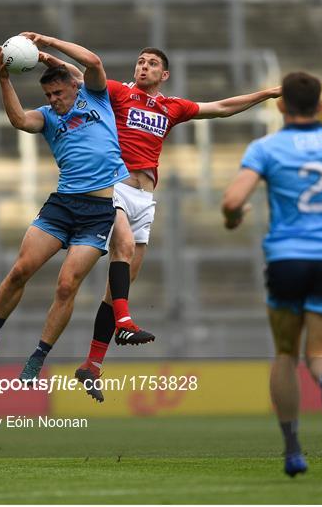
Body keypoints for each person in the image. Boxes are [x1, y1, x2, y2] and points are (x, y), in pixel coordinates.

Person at [33, 39, 281, 400]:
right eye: (140, 61)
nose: (143, 66)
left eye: (151, 63)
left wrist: (270, 92)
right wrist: (44, 57)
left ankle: (92, 366)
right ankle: (125, 323)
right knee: (124, 250)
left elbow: (223, 107)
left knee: (122, 283)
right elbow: (77, 76)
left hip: (145, 199)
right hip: (112, 186)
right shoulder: (118, 93)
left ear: (164, 74)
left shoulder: (171, 107)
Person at [0, 35, 144, 399]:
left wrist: (43, 46)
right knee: (20, 270)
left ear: (74, 87)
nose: (53, 101)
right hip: (62, 205)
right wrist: (4, 79)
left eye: (58, 94)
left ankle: (37, 359)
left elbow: (92, 60)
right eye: (48, 96)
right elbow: (18, 120)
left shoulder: (97, 97)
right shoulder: (47, 118)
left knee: (65, 285)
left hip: (97, 213)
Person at [222, 71, 322, 477]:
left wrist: (234, 217)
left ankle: (293, 448)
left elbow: (233, 199)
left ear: (280, 105)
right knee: (321, 353)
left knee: (286, 354)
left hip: (286, 260)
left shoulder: (266, 147)